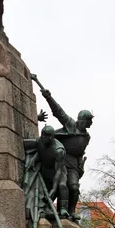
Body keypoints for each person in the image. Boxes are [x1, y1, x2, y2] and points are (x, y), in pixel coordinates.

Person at [41, 89, 93, 220]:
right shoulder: (70, 125)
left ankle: (71, 211)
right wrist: (49, 97)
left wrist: (81, 166)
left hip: (74, 164)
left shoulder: (87, 137)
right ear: (81, 120)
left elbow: (81, 153)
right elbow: (58, 112)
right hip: (60, 160)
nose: (89, 124)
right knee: (62, 186)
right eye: (88, 121)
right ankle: (61, 210)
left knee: (74, 188)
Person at [24, 126, 69, 219]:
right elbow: (41, 151)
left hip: (59, 172)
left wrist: (54, 188)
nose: (43, 137)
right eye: (42, 134)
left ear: (52, 137)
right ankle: (46, 209)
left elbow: (58, 171)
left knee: (62, 186)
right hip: (46, 170)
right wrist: (33, 160)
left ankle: (63, 209)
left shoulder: (59, 150)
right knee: (45, 193)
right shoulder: (40, 141)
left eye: (46, 136)